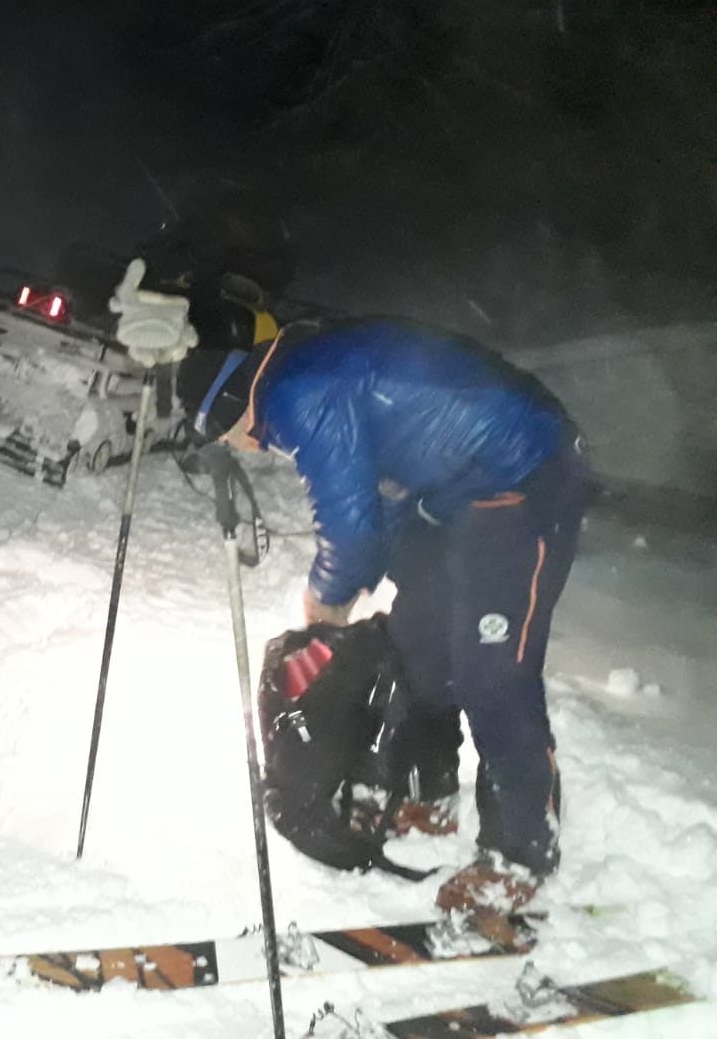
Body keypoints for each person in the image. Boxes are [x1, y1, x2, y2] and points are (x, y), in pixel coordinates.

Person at [182, 319, 589, 919]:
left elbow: (348, 523)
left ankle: (521, 850)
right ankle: (433, 789)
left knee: (492, 673)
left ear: (230, 411)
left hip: (524, 475)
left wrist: (328, 597)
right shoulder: (299, 377)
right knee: (418, 640)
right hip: (454, 495)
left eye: (225, 436)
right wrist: (390, 565)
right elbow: (385, 490)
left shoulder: (299, 391)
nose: (241, 447)